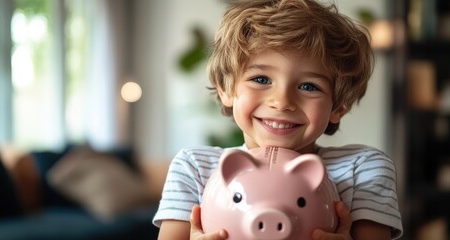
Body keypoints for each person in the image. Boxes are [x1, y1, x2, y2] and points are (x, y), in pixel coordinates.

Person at [153, 0, 403, 239]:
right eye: (261, 79)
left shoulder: (363, 170)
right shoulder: (194, 168)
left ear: (338, 106)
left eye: (309, 86)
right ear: (226, 89)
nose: (282, 101)